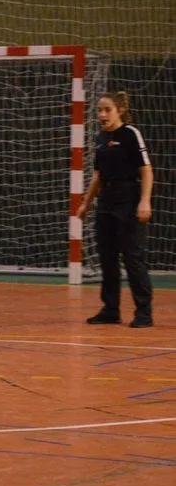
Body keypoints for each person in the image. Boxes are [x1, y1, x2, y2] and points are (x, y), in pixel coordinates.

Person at [76, 91, 154, 328]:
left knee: (132, 258)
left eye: (107, 109)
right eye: (99, 110)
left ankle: (144, 312)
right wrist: (86, 203)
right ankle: (111, 310)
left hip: (128, 200)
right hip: (106, 202)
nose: (102, 114)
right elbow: (97, 176)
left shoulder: (130, 134)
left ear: (119, 110)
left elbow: (146, 170)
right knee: (107, 258)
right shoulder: (101, 138)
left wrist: (144, 201)